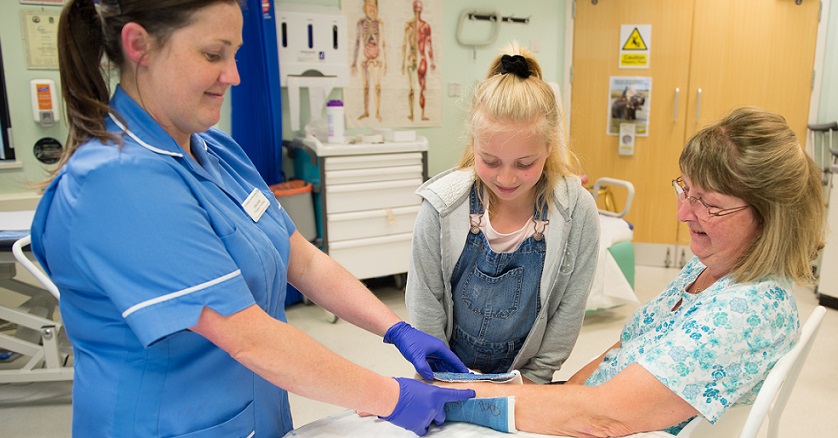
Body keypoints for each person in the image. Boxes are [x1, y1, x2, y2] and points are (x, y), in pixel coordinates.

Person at [31, 1, 474, 436]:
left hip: (255, 418)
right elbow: (248, 336)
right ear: (139, 46)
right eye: (213, 54)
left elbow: (302, 258)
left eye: (236, 54)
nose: (234, 75)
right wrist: (392, 397)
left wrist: (394, 328)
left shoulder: (216, 150)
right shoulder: (115, 183)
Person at [432, 107, 826, 436]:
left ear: (770, 219)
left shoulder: (748, 312)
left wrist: (462, 396)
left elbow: (605, 415)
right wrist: (559, 394)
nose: (683, 213)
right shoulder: (708, 269)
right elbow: (624, 349)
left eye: (709, 204)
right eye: (685, 190)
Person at [405, 44, 600, 385]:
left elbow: (568, 311)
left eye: (525, 164)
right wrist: (442, 377)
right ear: (473, 142)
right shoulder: (442, 205)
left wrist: (533, 382)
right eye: (490, 161)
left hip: (527, 381)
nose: (506, 178)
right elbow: (425, 301)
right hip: (445, 375)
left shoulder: (576, 211)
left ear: (549, 147)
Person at [351, 0, 386, 122]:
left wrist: (384, 61)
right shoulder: (361, 24)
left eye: (374, 5)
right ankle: (366, 111)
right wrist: (354, 62)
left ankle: (377, 112)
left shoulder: (379, 23)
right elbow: (357, 42)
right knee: (366, 86)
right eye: (369, 5)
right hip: (365, 59)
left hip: (377, 59)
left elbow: (383, 44)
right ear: (364, 7)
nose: (372, 8)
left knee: (377, 86)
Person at [401, 0, 435, 121]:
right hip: (413, 59)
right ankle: (412, 114)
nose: (417, 12)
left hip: (420, 59)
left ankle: (421, 114)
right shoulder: (409, 25)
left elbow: (429, 45)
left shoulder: (425, 26)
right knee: (412, 89)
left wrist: (432, 62)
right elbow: (405, 45)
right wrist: (402, 63)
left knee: (422, 88)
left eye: (418, 9)